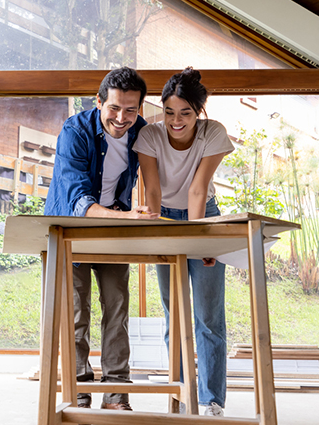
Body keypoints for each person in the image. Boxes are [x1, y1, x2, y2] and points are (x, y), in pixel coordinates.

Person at [44, 66, 158, 410]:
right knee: (77, 313)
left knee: (118, 307)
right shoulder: (75, 131)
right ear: (98, 102)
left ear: (140, 108)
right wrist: (127, 217)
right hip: (72, 228)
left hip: (113, 229)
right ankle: (78, 393)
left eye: (131, 109)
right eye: (114, 108)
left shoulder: (142, 132)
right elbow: (79, 201)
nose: (122, 118)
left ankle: (116, 394)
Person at [133, 67, 234, 416]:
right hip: (163, 217)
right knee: (173, 312)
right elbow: (153, 190)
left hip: (202, 214)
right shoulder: (149, 134)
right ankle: (180, 390)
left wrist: (201, 241)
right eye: (169, 112)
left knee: (208, 315)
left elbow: (197, 188)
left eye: (186, 113)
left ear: (199, 112)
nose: (176, 121)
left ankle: (211, 401)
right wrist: (160, 235)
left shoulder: (213, 133)